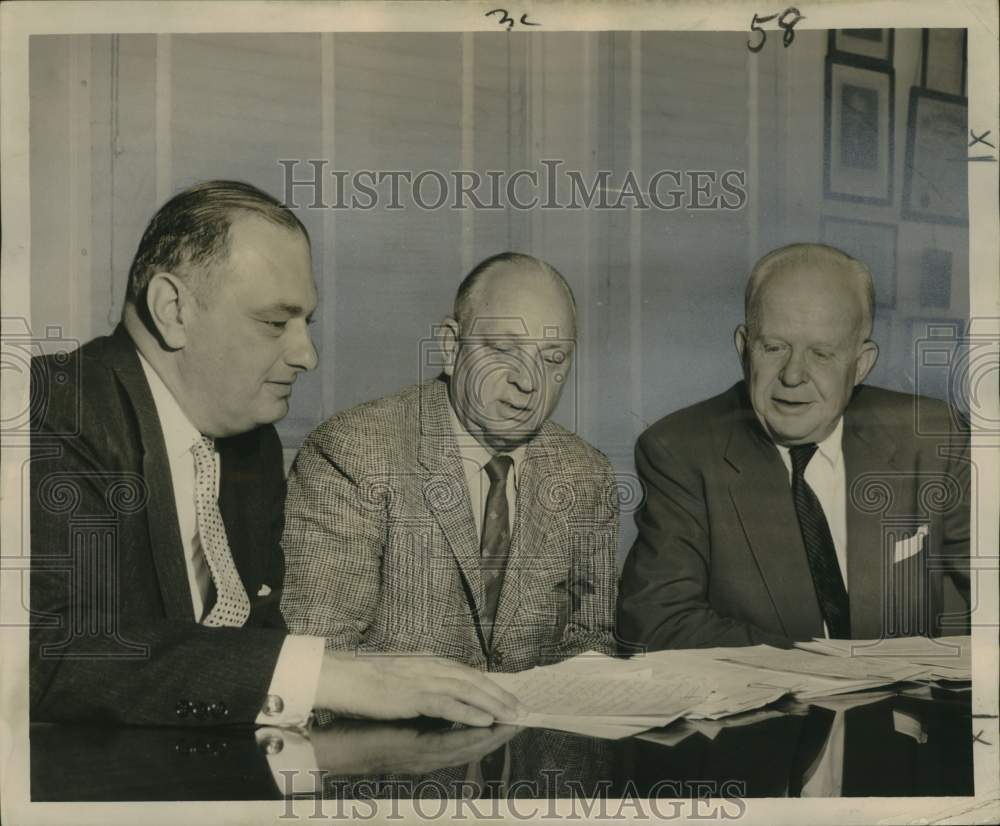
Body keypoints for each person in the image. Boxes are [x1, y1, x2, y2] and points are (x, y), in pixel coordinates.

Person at [30, 180, 518, 727]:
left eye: (306, 323)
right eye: (273, 322)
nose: (306, 354)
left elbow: (253, 637)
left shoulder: (250, 443)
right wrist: (327, 676)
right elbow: (48, 653)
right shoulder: (51, 410)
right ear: (173, 309)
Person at [617, 243, 970, 650]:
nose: (793, 375)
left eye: (821, 354)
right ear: (744, 348)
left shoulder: (931, 435)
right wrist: (823, 666)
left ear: (862, 364)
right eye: (774, 347)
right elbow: (657, 623)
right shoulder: (679, 450)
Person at [281, 252, 618, 671]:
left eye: (552, 358)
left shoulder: (588, 474)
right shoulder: (354, 452)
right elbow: (320, 659)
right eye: (503, 349)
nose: (528, 381)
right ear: (450, 347)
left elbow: (591, 644)